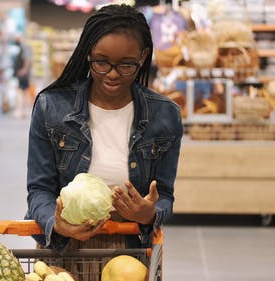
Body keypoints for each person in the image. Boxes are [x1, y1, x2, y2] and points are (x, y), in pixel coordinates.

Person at [25, 3, 183, 257]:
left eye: (126, 65)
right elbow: (39, 189)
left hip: (132, 247)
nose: (112, 75)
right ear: (88, 54)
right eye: (101, 62)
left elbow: (164, 195)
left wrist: (149, 213)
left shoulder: (164, 116)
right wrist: (57, 225)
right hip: (63, 247)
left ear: (142, 57)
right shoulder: (51, 107)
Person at [12, 35, 32, 118]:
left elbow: (27, 59)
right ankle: (25, 111)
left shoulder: (25, 47)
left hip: (23, 74)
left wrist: (24, 70)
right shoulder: (23, 47)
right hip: (23, 73)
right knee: (24, 91)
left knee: (22, 91)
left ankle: (21, 111)